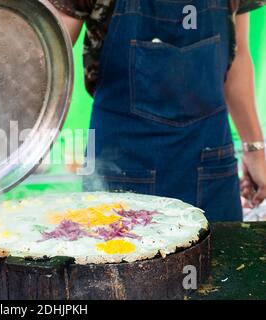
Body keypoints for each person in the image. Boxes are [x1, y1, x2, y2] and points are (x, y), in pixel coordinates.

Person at [50, 0, 266, 221]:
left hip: (210, 163)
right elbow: (46, 51)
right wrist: (27, 143)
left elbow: (238, 53)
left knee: (222, 254)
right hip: (121, 165)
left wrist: (255, 150)